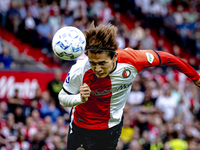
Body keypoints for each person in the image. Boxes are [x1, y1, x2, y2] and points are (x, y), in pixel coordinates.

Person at [58, 22, 200, 150]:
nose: (98, 69)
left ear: (114, 56)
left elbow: (169, 58)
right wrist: (79, 98)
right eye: (93, 63)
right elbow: (63, 97)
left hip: (112, 126)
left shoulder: (132, 60)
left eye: (102, 63)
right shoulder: (80, 69)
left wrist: (196, 77)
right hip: (82, 127)